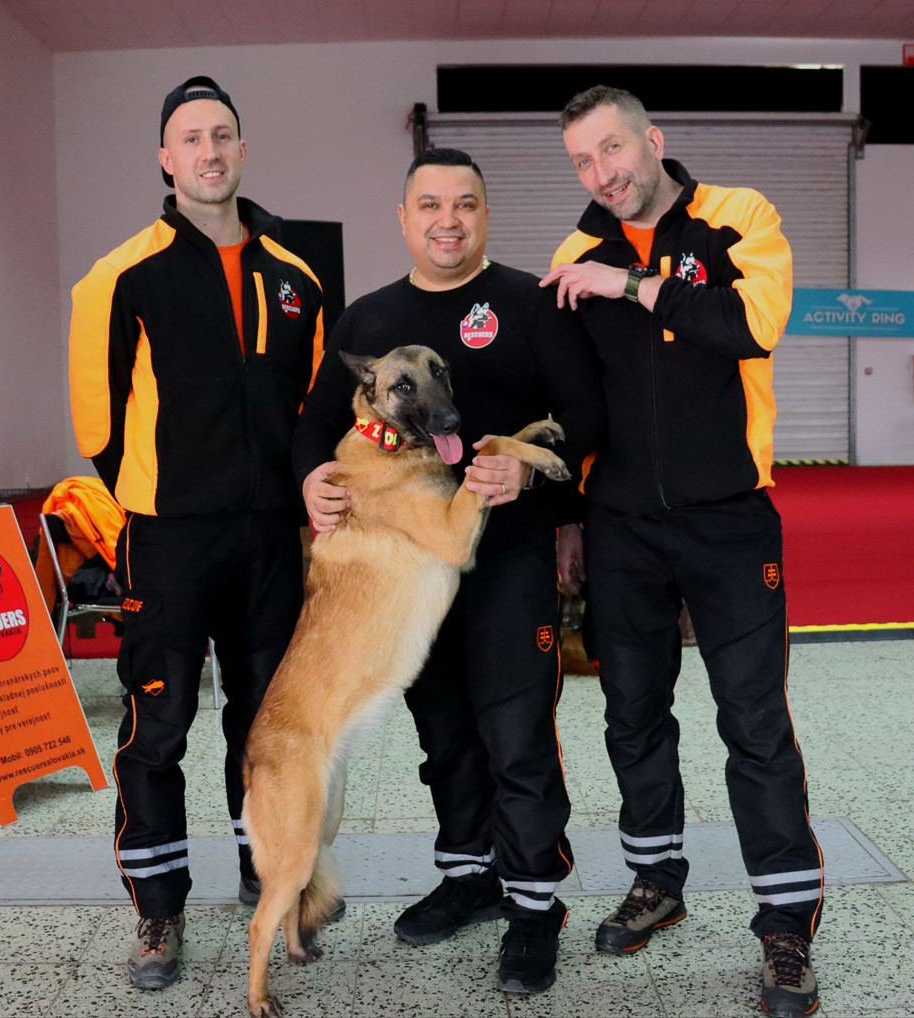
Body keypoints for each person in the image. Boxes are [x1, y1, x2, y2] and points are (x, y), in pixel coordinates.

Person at [293, 147, 604, 996]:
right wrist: (310, 480)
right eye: (429, 204)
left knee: (516, 732)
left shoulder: (527, 303)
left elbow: (585, 411)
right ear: (404, 218)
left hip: (508, 558)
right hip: (409, 578)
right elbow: (313, 424)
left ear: (485, 215)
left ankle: (534, 907)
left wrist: (539, 482)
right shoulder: (366, 320)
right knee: (444, 735)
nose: (447, 220)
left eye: (464, 204)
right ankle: (469, 878)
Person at [542, 85, 823, 1018]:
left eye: (613, 149)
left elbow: (750, 325)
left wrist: (633, 284)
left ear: (652, 139)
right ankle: (656, 880)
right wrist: (569, 520)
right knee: (632, 714)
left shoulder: (740, 217)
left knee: (754, 720)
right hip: (621, 525)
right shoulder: (574, 256)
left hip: (731, 518)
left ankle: (785, 923)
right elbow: (574, 400)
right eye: (583, 161)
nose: (602, 173)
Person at [67, 76, 325, 992]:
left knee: (269, 727)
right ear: (165, 159)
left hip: (270, 540)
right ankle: (158, 908)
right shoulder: (117, 276)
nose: (208, 151)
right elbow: (97, 423)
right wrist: (162, 495)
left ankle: (269, 878)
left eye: (222, 135)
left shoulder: (296, 277)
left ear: (242, 150)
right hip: (170, 538)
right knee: (158, 728)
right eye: (190, 138)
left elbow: (314, 411)